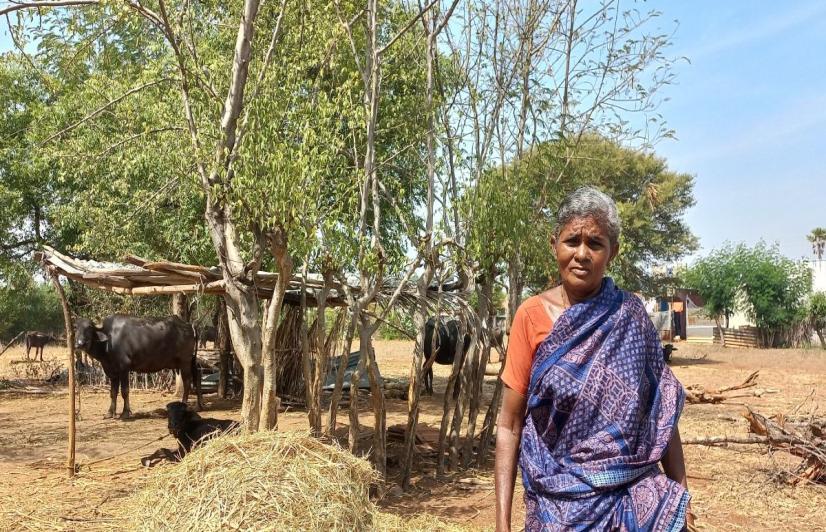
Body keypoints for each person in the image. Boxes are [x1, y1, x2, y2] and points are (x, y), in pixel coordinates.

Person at [495, 187, 694, 531]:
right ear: (554, 243)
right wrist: (502, 523)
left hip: (628, 492)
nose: (582, 254)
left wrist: (681, 492)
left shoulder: (630, 316)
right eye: (572, 241)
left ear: (612, 251)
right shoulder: (531, 317)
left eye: (595, 244)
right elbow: (509, 424)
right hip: (555, 499)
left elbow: (659, 416)